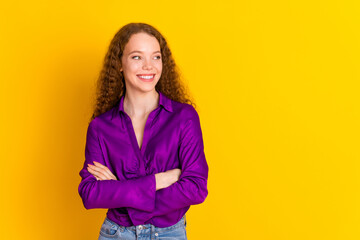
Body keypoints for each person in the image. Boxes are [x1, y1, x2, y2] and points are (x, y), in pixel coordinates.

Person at [78, 22, 209, 240]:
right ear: (120, 63)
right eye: (137, 57)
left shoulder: (184, 117)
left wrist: (119, 191)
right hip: (116, 234)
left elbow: (196, 188)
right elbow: (90, 194)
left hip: (169, 234)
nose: (149, 66)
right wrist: (159, 180)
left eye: (156, 57)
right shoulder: (100, 127)